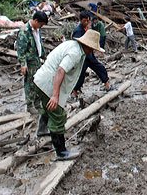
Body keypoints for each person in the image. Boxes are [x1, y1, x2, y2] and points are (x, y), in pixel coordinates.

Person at [34, 29, 102, 160]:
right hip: (48, 83)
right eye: (93, 48)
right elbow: (61, 70)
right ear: (88, 46)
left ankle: (42, 130)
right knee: (58, 115)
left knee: (48, 108)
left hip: (40, 80)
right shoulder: (75, 53)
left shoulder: (73, 45)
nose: (93, 51)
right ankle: (61, 152)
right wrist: (55, 95)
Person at [16, 11, 48, 122]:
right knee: (29, 84)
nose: (41, 26)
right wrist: (23, 64)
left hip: (37, 60)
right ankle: (30, 106)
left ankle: (37, 104)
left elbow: (39, 44)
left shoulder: (37, 30)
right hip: (29, 62)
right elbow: (21, 50)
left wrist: (44, 55)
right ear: (35, 21)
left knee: (38, 83)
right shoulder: (24, 31)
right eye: (41, 24)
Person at [71, 12, 110, 96]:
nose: (87, 22)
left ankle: (107, 83)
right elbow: (76, 44)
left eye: (88, 21)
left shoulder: (87, 28)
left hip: (89, 55)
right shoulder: (78, 31)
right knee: (80, 75)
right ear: (81, 20)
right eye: (85, 21)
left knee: (100, 68)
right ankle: (75, 91)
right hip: (82, 56)